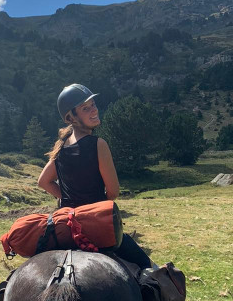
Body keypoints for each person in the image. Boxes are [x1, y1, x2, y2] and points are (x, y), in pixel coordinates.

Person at [38, 83, 152, 269]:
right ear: (70, 117)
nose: (94, 110)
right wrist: (96, 208)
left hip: (65, 225)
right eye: (85, 108)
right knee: (147, 266)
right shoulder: (98, 144)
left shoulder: (61, 148)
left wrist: (69, 198)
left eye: (93, 104)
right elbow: (114, 191)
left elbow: (43, 182)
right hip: (94, 224)